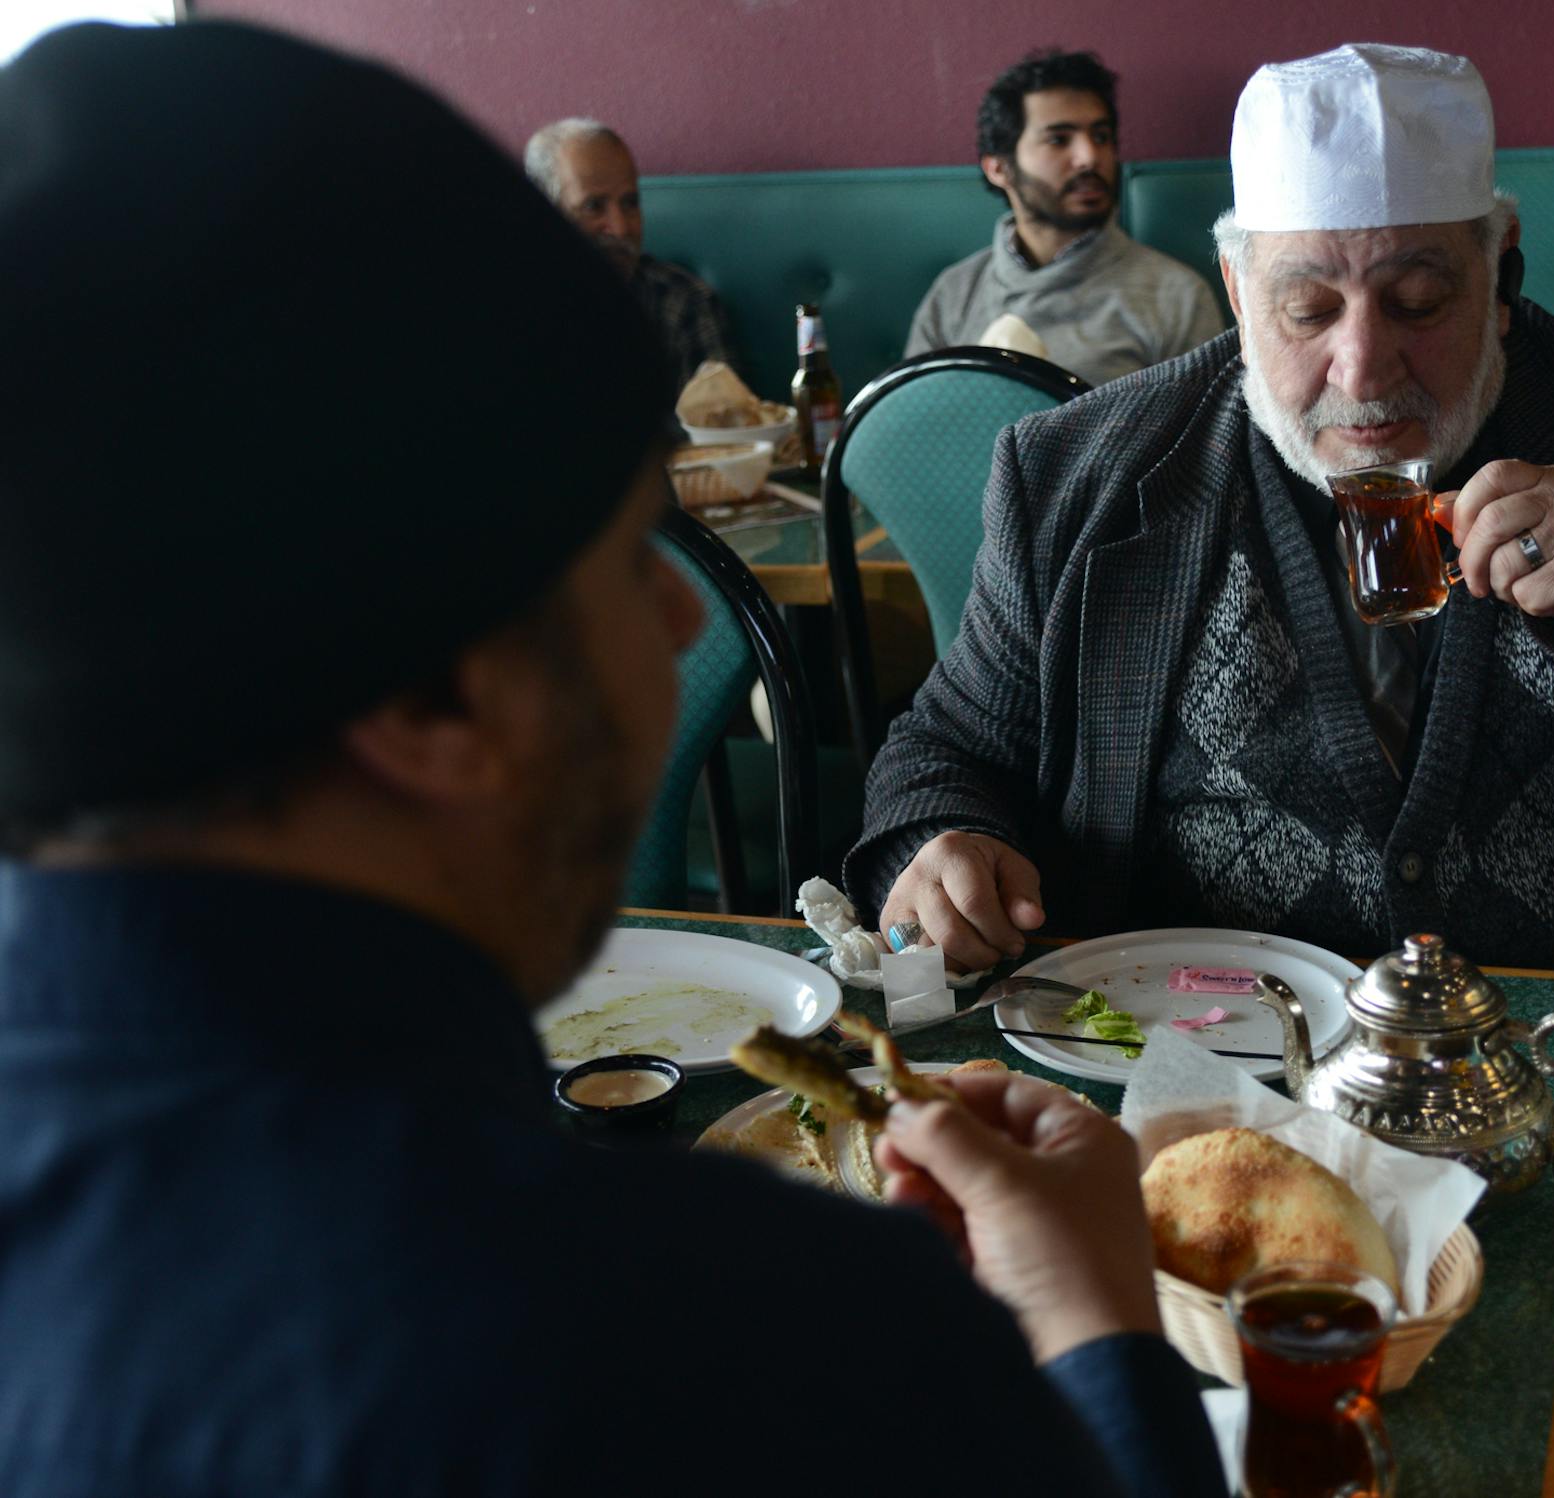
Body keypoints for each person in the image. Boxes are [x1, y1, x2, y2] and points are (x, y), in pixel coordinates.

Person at [0, 23, 1221, 1498]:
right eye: (633, 548)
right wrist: (1096, 1326)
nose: (682, 616)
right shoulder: (752, 1342)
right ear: (436, 696)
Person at [851, 43, 1554, 1497]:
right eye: (1308, 305)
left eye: (1421, 298)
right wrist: (938, 834)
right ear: (1236, 286)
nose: (1363, 368)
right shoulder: (1081, 474)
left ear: (1502, 269)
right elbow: (946, 744)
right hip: (1218, 1119)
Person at [904, 48, 1223, 388]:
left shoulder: (1176, 295)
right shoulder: (954, 293)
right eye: (1059, 140)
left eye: (1101, 137)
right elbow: (909, 415)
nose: (1089, 157)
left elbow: (1204, 422)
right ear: (999, 169)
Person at [526, 115, 733, 391]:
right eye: (593, 207)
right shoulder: (502, 309)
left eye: (630, 203)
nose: (621, 228)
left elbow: (722, 415)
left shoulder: (680, 303)